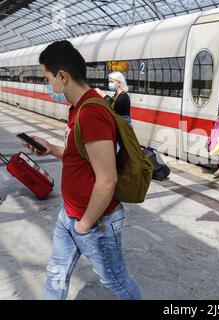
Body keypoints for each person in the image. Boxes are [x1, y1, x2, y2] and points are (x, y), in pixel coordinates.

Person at [26, 40, 141, 300]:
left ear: (62, 76)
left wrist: (84, 225)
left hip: (95, 221)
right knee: (55, 276)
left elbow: (107, 179)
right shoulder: (77, 109)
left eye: (47, 78)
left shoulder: (91, 114)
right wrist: (51, 149)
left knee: (117, 282)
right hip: (69, 215)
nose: (48, 86)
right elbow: (80, 157)